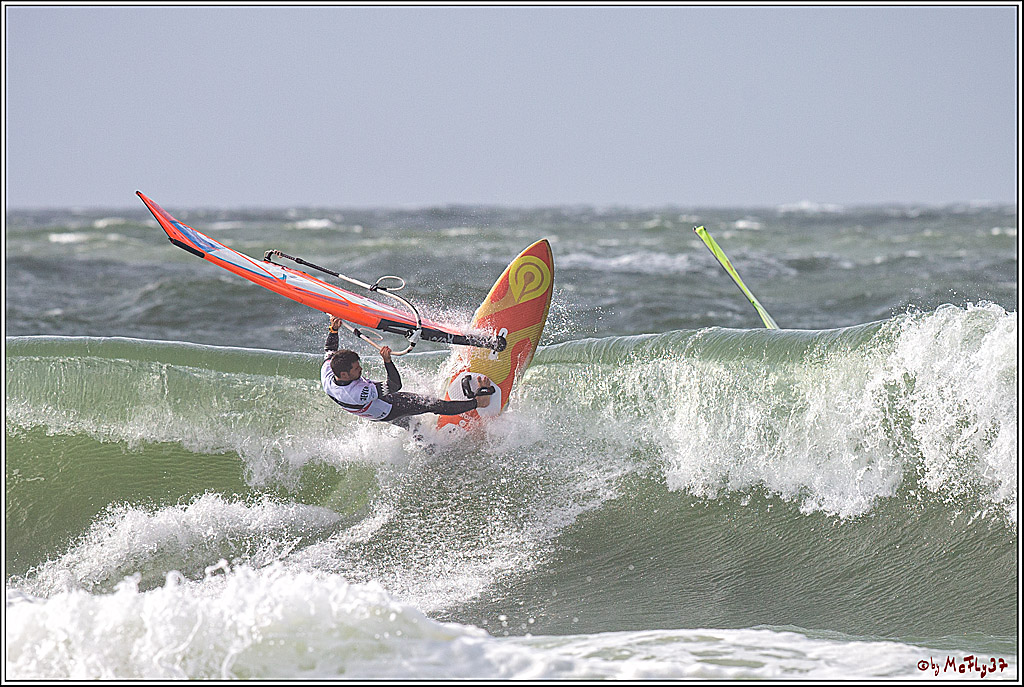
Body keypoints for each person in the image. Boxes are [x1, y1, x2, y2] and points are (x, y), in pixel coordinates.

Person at [321, 315, 492, 428]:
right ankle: (479, 402)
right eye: (356, 369)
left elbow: (330, 348)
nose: (361, 369)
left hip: (373, 412)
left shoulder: (328, 371)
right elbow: (394, 385)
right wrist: (387, 361)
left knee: (411, 424)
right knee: (431, 404)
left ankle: (428, 446)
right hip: (388, 408)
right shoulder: (358, 394)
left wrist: (334, 329)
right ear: (344, 375)